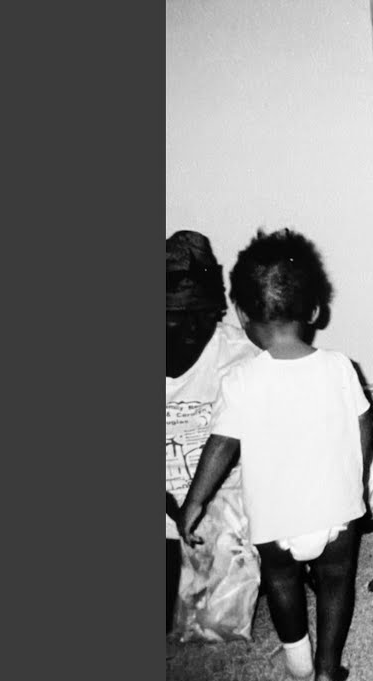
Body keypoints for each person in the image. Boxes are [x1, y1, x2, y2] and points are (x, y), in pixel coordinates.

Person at [178, 228, 373, 681]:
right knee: (336, 582)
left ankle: (298, 658)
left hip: (275, 519)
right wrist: (359, 477)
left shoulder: (241, 380)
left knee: (281, 581)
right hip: (337, 511)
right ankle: (327, 668)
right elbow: (363, 424)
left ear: (243, 315)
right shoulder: (340, 367)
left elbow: (220, 446)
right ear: (315, 311)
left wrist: (194, 503)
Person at [166, 230, 261, 640]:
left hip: (218, 504)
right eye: (176, 315)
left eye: (203, 315)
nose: (192, 328)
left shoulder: (240, 358)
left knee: (214, 626)